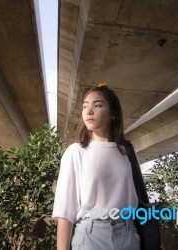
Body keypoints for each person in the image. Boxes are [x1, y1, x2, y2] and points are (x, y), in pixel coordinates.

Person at [52, 82, 141, 250]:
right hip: (91, 237)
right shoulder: (75, 152)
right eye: (85, 106)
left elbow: (137, 198)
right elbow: (66, 211)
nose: (89, 111)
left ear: (113, 114)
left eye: (97, 105)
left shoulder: (125, 152)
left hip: (128, 233)